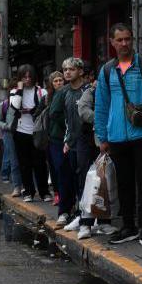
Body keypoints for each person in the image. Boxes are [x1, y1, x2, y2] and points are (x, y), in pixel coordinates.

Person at [94, 22, 142, 248]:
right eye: (120, 40)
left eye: (128, 39)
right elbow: (102, 105)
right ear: (112, 42)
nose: (124, 43)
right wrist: (102, 136)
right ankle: (128, 227)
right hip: (116, 138)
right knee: (124, 184)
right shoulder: (107, 70)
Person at [74, 68, 116, 238]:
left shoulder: (115, 92)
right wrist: (101, 121)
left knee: (105, 183)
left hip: (107, 140)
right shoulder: (91, 91)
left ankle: (104, 222)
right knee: (89, 181)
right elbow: (83, 110)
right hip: (89, 141)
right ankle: (85, 223)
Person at [7, 65, 51, 202]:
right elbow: (15, 106)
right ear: (20, 78)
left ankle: (44, 192)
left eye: (29, 76)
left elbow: (46, 108)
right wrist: (20, 89)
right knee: (24, 164)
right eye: (24, 77)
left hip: (38, 132)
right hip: (21, 131)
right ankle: (28, 191)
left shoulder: (41, 91)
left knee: (40, 163)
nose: (27, 79)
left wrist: (33, 110)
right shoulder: (15, 91)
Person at [52, 59, 86, 226]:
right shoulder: (63, 92)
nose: (67, 72)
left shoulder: (89, 90)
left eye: (71, 69)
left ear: (80, 71)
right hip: (68, 142)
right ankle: (65, 211)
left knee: (84, 179)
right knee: (66, 177)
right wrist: (67, 127)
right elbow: (54, 113)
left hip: (87, 141)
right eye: (64, 69)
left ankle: (84, 214)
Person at [0, 78, 23, 195]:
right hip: (10, 135)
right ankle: (17, 186)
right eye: (13, 88)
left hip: (24, 133)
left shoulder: (24, 102)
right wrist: (6, 126)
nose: (15, 90)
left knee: (25, 161)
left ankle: (26, 186)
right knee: (14, 161)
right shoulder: (5, 104)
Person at [46, 70, 66, 205]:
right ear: (51, 84)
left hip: (66, 137)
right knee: (56, 167)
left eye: (60, 80)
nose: (59, 83)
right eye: (56, 81)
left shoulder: (67, 93)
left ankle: (65, 194)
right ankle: (58, 194)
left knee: (65, 168)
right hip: (53, 137)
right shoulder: (48, 98)